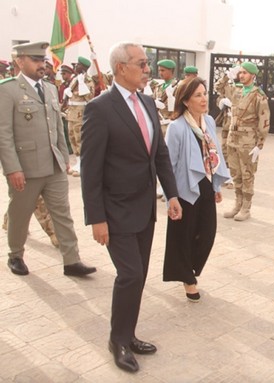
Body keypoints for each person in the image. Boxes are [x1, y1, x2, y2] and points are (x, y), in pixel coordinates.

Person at [80, 41, 182, 373]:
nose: (147, 69)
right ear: (121, 67)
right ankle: (117, 340)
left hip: (144, 209)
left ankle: (129, 333)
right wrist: (96, 218)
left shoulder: (149, 103)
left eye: (148, 64)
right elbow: (91, 169)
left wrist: (173, 195)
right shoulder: (100, 108)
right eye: (142, 63)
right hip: (114, 210)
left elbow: (160, 155)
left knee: (137, 277)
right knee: (130, 274)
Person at [0, 41, 96, 277]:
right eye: (35, 60)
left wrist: (64, 157)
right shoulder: (8, 90)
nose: (41, 64)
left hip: (53, 165)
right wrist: (12, 168)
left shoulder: (51, 89)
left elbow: (57, 127)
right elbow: (4, 134)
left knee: (62, 214)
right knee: (20, 215)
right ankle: (15, 255)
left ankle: (72, 260)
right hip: (26, 168)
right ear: (20, 62)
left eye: (43, 60)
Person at [163, 77, 229, 301]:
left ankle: (189, 270)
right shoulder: (177, 127)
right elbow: (168, 165)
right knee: (184, 235)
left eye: (204, 93)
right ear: (186, 100)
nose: (204, 99)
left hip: (207, 183)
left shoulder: (208, 121)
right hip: (185, 188)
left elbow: (214, 153)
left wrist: (216, 184)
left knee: (207, 233)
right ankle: (187, 279)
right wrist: (170, 197)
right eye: (198, 95)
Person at [215, 61, 270, 221]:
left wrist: (259, 145)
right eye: (240, 72)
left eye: (244, 73)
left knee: (247, 174)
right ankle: (237, 204)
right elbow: (219, 88)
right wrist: (227, 76)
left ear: (252, 76)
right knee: (236, 173)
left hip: (248, 141)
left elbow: (264, 121)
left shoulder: (259, 96)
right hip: (233, 139)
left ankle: (246, 207)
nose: (241, 75)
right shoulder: (236, 90)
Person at [64, 56, 95, 177]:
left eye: (78, 65)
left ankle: (83, 165)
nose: (76, 67)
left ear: (84, 67)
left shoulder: (87, 80)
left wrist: (82, 84)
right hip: (71, 113)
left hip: (80, 114)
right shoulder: (74, 79)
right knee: (72, 138)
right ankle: (78, 162)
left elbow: (89, 97)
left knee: (79, 138)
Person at [153, 59, 177, 136]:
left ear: (171, 71)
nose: (160, 73)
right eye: (159, 70)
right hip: (158, 124)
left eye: (163, 70)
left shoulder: (177, 87)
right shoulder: (158, 87)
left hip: (170, 124)